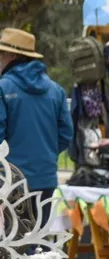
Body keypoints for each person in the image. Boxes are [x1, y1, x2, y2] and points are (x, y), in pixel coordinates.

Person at [0, 28, 73, 227]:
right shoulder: (56, 90)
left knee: (12, 241)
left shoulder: (3, 88)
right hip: (45, 178)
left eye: (1, 54)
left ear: (12, 56)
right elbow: (66, 135)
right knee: (39, 239)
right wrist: (45, 153)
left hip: (11, 180)